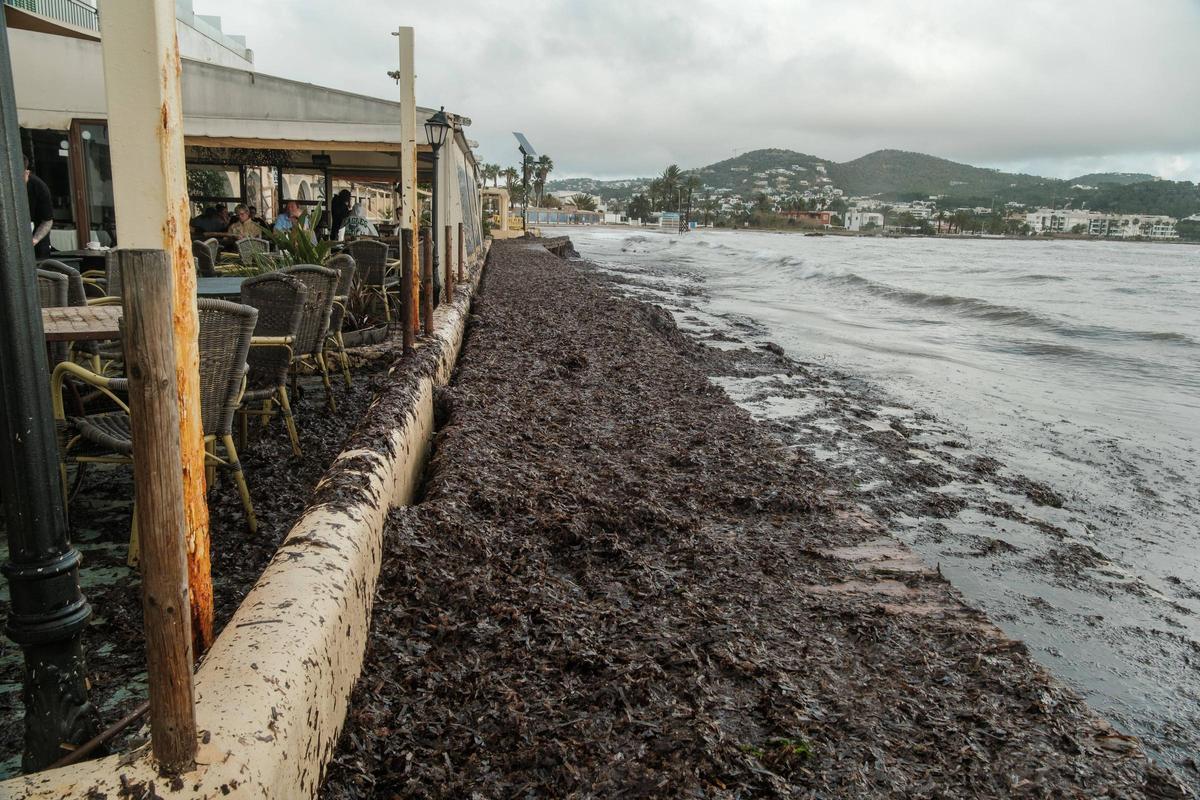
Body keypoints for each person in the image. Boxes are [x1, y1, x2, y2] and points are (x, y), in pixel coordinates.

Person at [24, 154, 54, 259]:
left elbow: (47, 220)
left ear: (27, 172)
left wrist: (35, 240)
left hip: (37, 226)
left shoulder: (40, 187)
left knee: (41, 252)